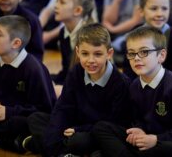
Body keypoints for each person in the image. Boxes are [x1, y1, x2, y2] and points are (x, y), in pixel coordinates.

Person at [92, 26, 172, 157]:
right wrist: (139, 130)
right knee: (101, 128)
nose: (137, 58)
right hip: (147, 140)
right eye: (131, 53)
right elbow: (138, 118)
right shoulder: (135, 85)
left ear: (161, 56)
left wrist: (157, 139)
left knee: (169, 150)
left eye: (144, 52)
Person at [25, 24, 131, 156]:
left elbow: (113, 124)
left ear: (109, 54)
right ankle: (62, 153)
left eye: (98, 54)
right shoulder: (76, 72)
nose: (91, 60)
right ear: (77, 52)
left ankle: (40, 144)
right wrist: (54, 136)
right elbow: (63, 107)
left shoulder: (121, 82)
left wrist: (78, 130)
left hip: (92, 131)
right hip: (73, 124)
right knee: (36, 119)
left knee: (78, 141)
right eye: (85, 54)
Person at [0, 15, 56, 153]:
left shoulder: (33, 68)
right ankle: (4, 140)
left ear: (16, 43)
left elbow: (44, 110)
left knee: (15, 124)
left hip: (18, 117)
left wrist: (9, 112)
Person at [122, 0, 172, 79]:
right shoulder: (134, 33)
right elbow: (128, 68)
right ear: (141, 11)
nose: (159, 14)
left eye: (164, 9)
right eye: (154, 8)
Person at [51, 0, 97, 85]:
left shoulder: (90, 37)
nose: (55, 6)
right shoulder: (63, 32)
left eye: (62, 2)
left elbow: (91, 79)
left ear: (77, 10)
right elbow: (66, 72)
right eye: (57, 1)